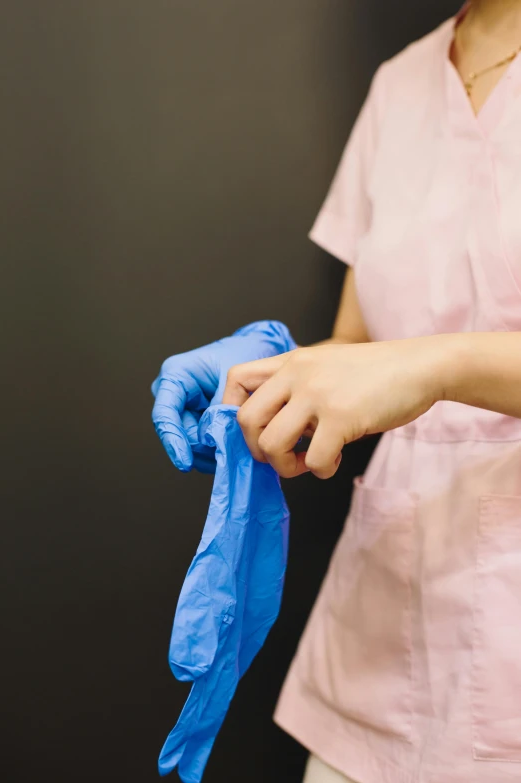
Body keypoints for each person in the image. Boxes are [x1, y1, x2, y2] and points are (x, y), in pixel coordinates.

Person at [218, 1, 521, 781]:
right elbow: (360, 345)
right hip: (383, 634)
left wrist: (438, 365)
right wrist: (264, 377)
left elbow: (410, 363)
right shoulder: (401, 84)